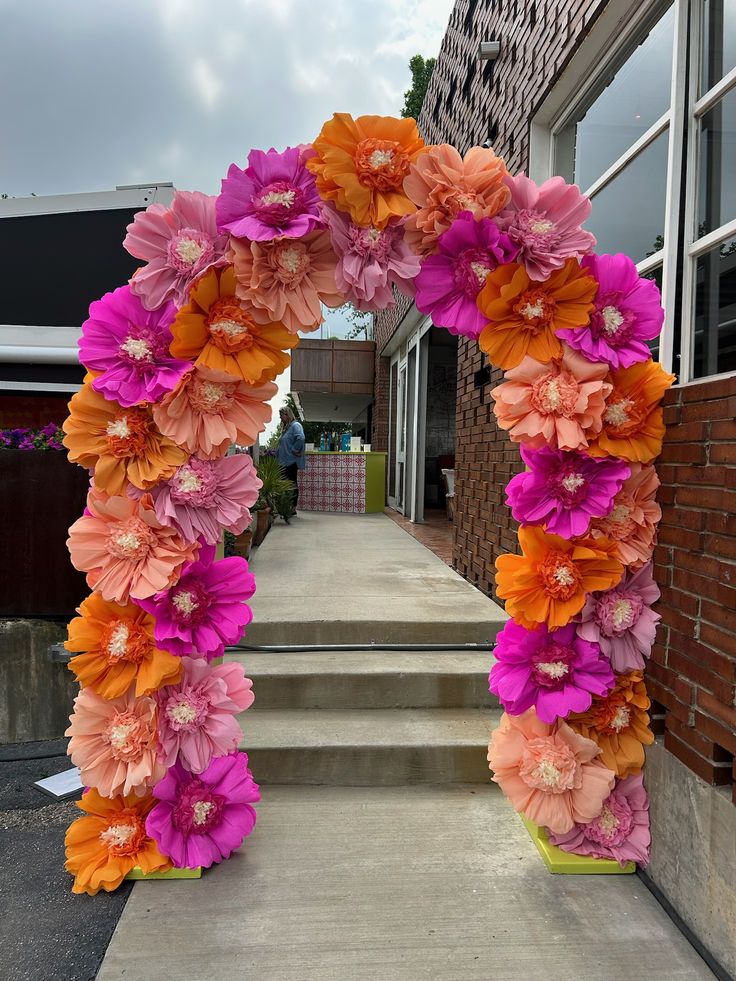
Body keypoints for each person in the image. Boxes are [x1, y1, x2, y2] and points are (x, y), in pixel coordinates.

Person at [275, 406, 305, 514]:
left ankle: (292, 508)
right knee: (285, 485)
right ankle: (285, 507)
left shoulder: (295, 426)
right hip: (282, 462)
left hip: (290, 462)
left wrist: (295, 449)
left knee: (292, 484)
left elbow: (301, 438)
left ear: (287, 415)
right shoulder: (287, 428)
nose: (280, 418)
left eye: (281, 416)